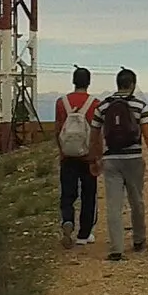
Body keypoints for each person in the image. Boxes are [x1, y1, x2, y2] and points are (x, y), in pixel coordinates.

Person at [96, 68, 148, 261]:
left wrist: (96, 158)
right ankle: (139, 239)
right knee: (136, 200)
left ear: (117, 84)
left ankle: (116, 248)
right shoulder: (139, 105)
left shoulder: (103, 106)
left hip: (110, 159)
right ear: (133, 84)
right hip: (133, 158)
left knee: (114, 205)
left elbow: (95, 134)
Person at [54, 67, 101, 248]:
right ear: (88, 82)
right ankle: (84, 234)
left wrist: (61, 151)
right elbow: (98, 132)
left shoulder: (61, 102)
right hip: (87, 156)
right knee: (89, 194)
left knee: (67, 193)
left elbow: (58, 129)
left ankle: (68, 220)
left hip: (68, 155)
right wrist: (97, 156)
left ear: (73, 81)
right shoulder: (95, 103)